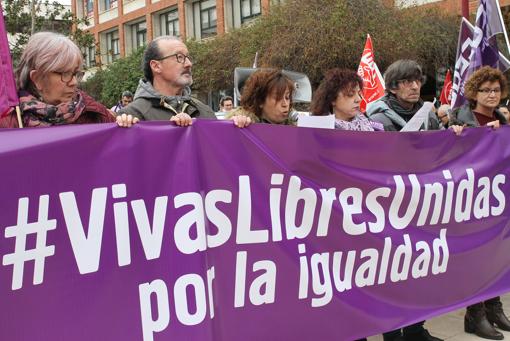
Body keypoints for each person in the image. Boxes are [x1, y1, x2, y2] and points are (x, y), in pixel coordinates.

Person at [367, 59, 460, 341]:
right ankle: (393, 334)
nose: (414, 86)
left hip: (421, 205)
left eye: (417, 81)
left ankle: (417, 329)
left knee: (418, 271)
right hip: (389, 206)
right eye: (407, 82)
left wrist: (452, 135)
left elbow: (439, 148)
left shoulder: (427, 113)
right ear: (393, 87)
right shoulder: (377, 118)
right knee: (390, 274)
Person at [452, 66, 510, 341]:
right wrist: (455, 133)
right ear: (474, 93)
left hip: (496, 201)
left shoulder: (502, 120)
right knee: (476, 260)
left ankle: (494, 307)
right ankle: (475, 316)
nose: (491, 95)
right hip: (469, 201)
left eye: (496, 90)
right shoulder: (460, 119)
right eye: (485, 90)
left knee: (495, 255)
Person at [0, 31, 136, 128]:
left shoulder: (94, 113)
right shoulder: (9, 123)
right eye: (65, 74)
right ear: (37, 78)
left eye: (76, 73)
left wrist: (125, 125)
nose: (74, 82)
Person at [118, 36, 215, 126]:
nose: (189, 64)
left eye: (188, 57)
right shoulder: (132, 116)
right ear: (156, 66)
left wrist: (230, 130)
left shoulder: (205, 112)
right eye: (179, 57)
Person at [310, 68, 382, 131]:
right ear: (332, 99)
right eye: (350, 94)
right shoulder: (314, 129)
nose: (359, 99)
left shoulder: (374, 128)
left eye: (359, 93)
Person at [228, 69, 295, 127]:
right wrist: (232, 126)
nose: (285, 104)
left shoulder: (296, 128)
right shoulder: (245, 124)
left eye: (287, 97)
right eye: (278, 98)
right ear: (260, 101)